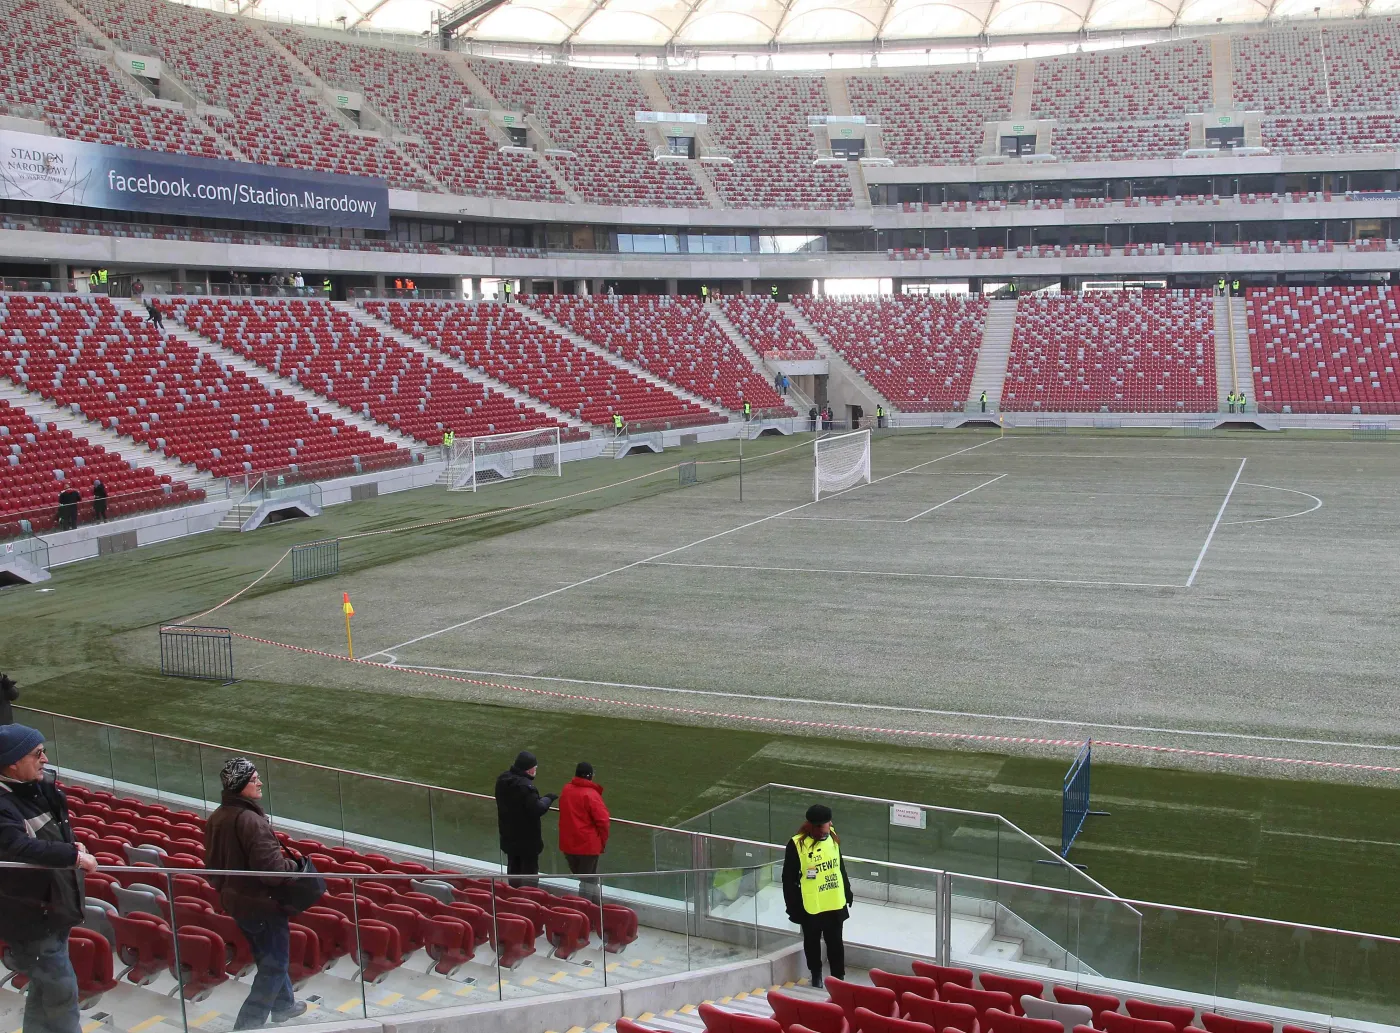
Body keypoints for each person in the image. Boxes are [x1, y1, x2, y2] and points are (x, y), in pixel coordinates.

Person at [0, 724, 97, 1033]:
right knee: (62, 991)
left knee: (45, 991)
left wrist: (71, 844)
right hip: (31, 917)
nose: (44, 759)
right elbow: (17, 846)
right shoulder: (3, 803)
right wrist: (73, 856)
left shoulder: (37, 787)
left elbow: (54, 831)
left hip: (54, 910)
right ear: (13, 762)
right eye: (37, 753)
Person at [205, 758, 307, 1030]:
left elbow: (212, 866)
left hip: (236, 901)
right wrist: (296, 867)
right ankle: (247, 1025)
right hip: (262, 904)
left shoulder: (217, 816)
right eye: (253, 779)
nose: (260, 782)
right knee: (274, 964)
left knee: (268, 956)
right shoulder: (251, 820)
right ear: (240, 785)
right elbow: (272, 871)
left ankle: (284, 1005)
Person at [782, 803, 851, 990]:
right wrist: (792, 906)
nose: (823, 831)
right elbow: (788, 879)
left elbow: (839, 867)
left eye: (825, 825)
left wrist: (847, 891)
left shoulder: (833, 837)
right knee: (812, 942)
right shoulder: (796, 844)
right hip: (811, 903)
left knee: (835, 942)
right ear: (810, 826)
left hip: (834, 901)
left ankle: (838, 977)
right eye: (819, 827)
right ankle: (816, 974)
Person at [494, 751, 556, 887]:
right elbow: (537, 808)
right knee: (529, 875)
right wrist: (548, 798)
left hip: (508, 836)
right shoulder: (525, 787)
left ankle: (513, 898)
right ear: (529, 769)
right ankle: (528, 903)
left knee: (513, 870)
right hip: (527, 841)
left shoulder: (503, 780)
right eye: (535, 767)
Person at [558, 762, 609, 907]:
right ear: (590, 776)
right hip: (587, 847)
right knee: (588, 882)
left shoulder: (566, 789)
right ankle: (585, 915)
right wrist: (601, 842)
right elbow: (604, 821)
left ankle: (597, 912)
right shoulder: (591, 795)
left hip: (568, 845)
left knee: (588, 880)